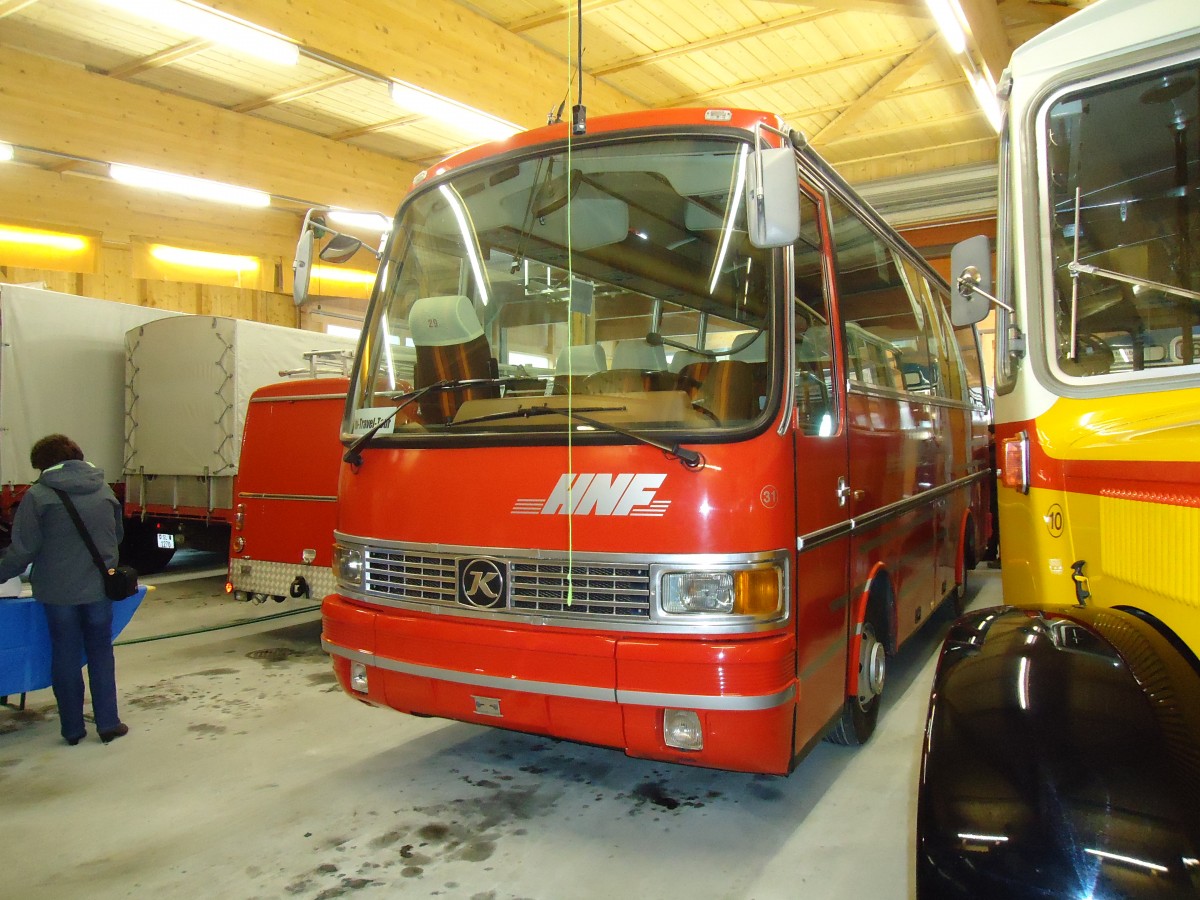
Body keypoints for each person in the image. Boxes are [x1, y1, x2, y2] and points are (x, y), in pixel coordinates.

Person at [0, 434, 129, 745]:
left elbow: (23, 550)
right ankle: (108, 724)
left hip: (58, 594)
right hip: (99, 589)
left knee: (66, 655)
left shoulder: (39, 496)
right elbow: (117, 536)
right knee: (101, 654)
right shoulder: (104, 490)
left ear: (42, 465)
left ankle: (72, 729)